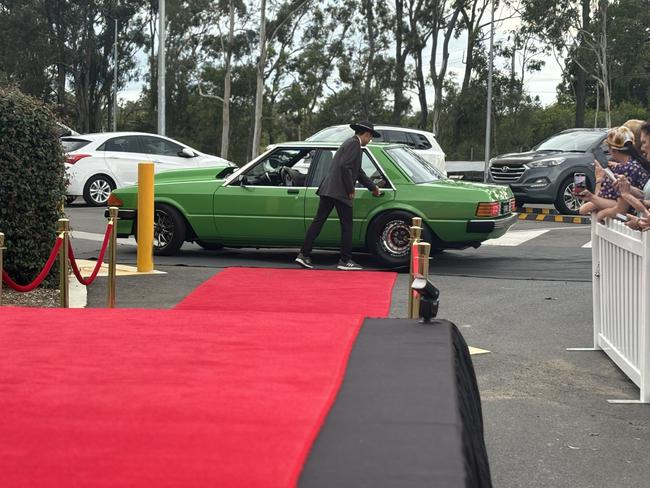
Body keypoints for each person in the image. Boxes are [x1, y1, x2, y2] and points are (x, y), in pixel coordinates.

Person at [296, 121, 383, 270]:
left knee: (319, 221)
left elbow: (358, 171)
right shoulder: (354, 144)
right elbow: (345, 167)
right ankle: (345, 260)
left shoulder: (351, 143)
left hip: (329, 189)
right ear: (366, 134)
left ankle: (303, 254)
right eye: (370, 137)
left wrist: (373, 187)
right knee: (347, 225)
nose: (370, 140)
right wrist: (350, 189)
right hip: (340, 191)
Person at [578, 126, 649, 222]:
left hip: (628, 222)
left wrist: (602, 213)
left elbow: (621, 211)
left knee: (584, 208)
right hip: (631, 222)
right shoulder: (631, 165)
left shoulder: (627, 169)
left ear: (613, 150)